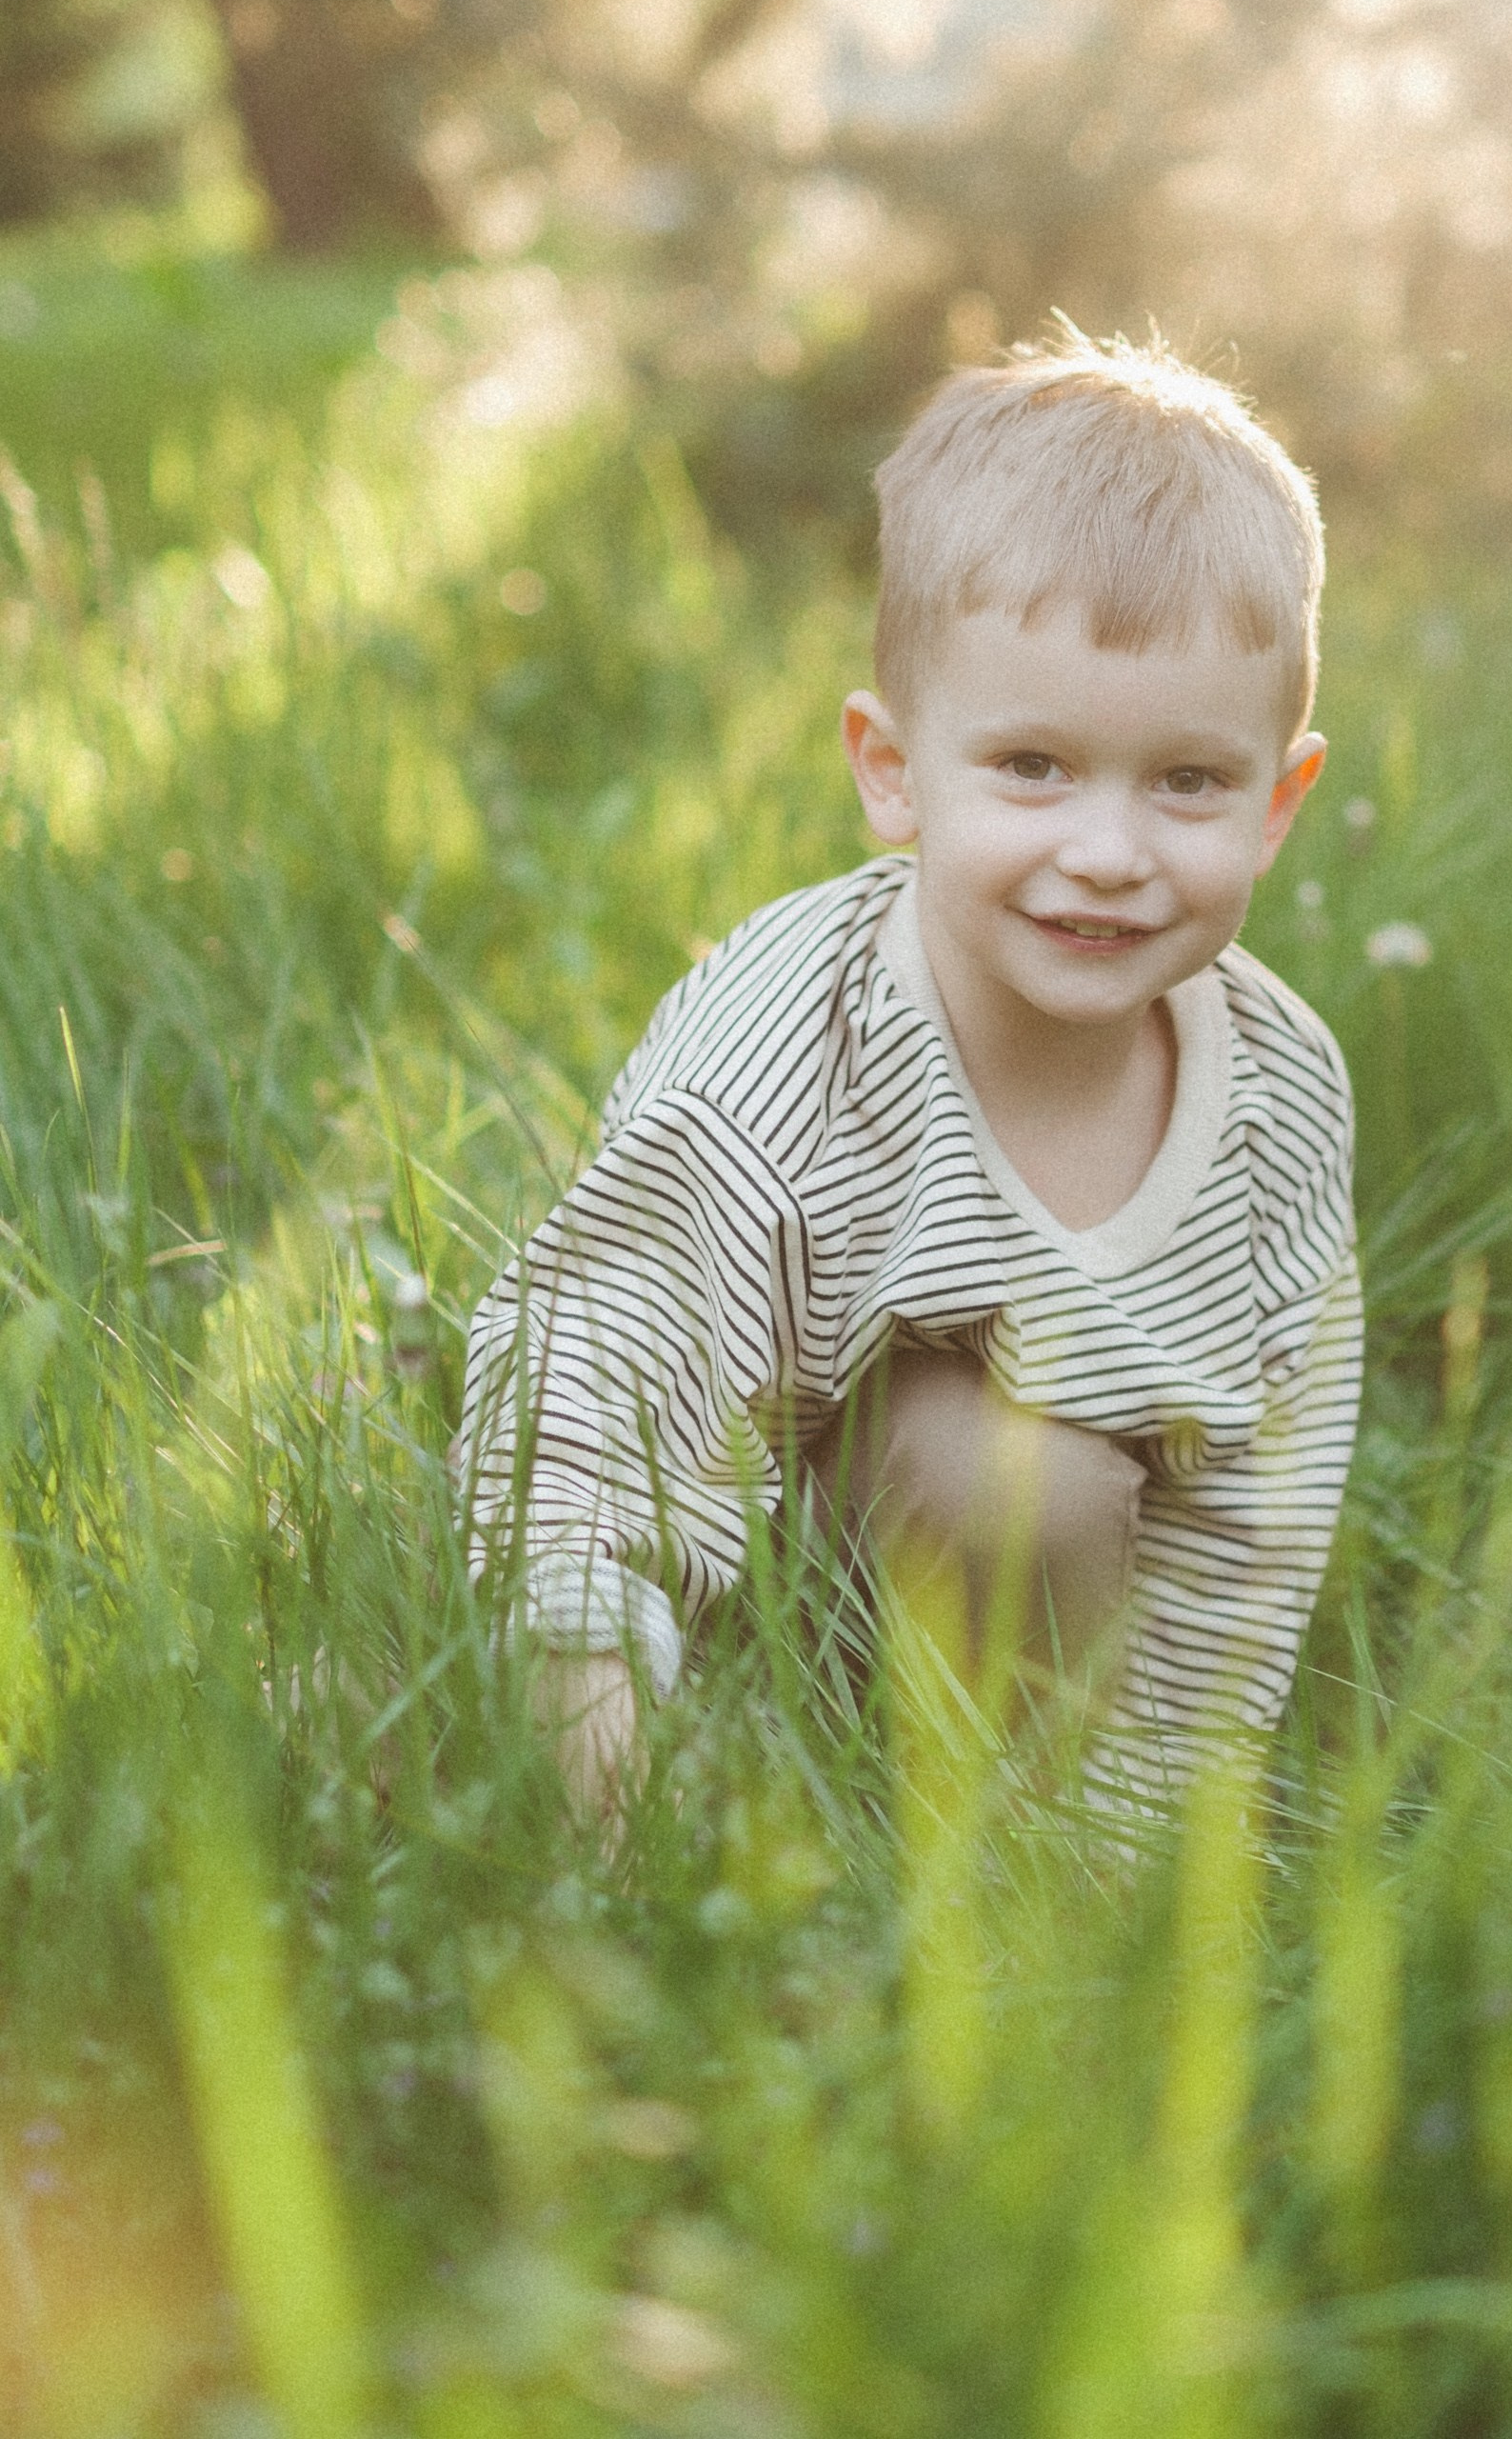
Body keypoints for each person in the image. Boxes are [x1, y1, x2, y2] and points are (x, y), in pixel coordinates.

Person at [454, 332, 1364, 1816]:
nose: (1111, 852)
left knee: (1040, 1485)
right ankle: (727, 1773)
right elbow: (599, 1407)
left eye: (1188, 781)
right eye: (1033, 767)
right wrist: (596, 1775)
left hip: (1036, 1604)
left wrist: (1143, 1837)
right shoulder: (786, 1055)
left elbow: (1248, 1504)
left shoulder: (1278, 1092)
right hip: (736, 1566)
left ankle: (1017, 1826)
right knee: (992, 1472)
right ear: (892, 768)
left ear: (1278, 802)